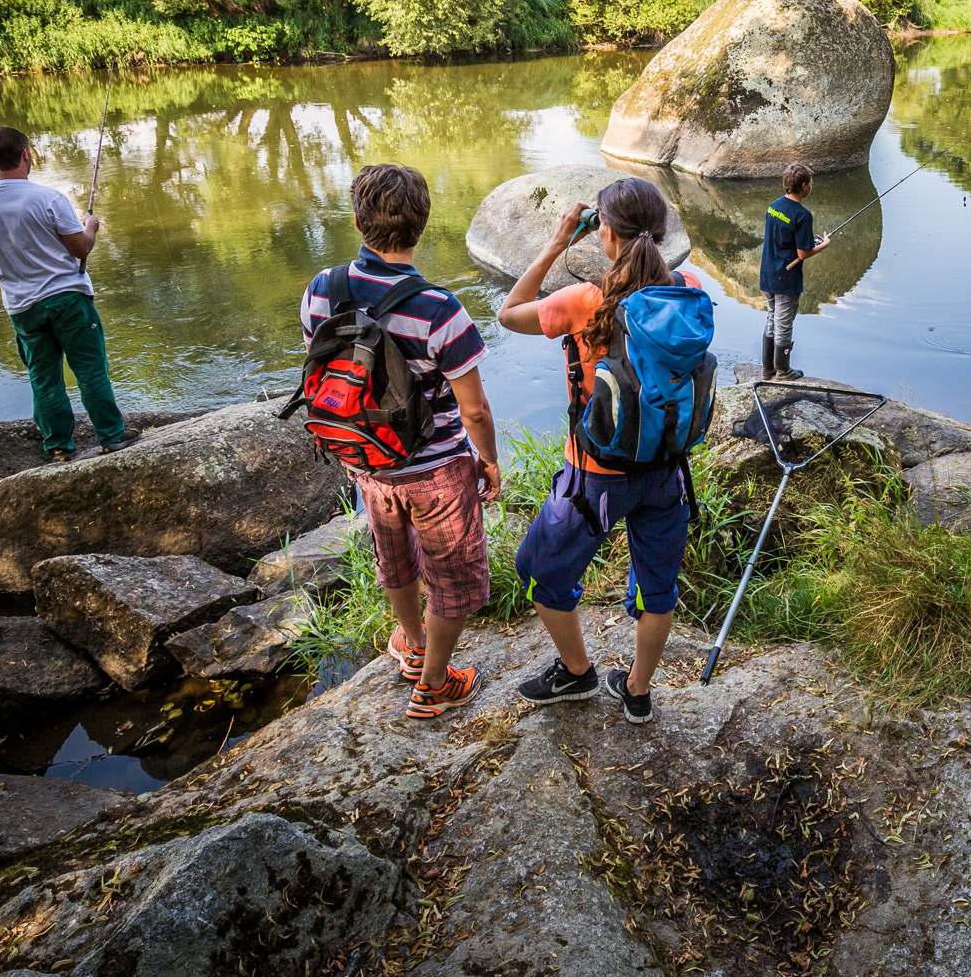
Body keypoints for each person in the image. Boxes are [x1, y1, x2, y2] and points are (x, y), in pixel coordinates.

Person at [300, 164, 502, 721]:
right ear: (422, 224)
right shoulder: (439, 309)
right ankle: (435, 682)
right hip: (435, 469)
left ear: (359, 220)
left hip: (364, 459)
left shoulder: (322, 290)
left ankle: (411, 643)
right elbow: (475, 408)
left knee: (394, 555)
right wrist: (487, 461)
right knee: (455, 577)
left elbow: (329, 372)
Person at [496, 177, 701, 724]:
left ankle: (579, 673)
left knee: (539, 569)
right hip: (667, 470)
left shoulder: (585, 301)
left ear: (604, 233)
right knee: (658, 588)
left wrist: (559, 240)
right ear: (660, 232)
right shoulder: (689, 288)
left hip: (594, 477)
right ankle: (637, 692)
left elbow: (508, 313)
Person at [0, 126, 139, 463]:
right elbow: (80, 249)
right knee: (90, 371)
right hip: (67, 299)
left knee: (44, 379)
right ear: (25, 155)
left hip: (22, 308)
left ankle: (59, 448)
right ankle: (111, 437)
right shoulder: (48, 198)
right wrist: (89, 225)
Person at [759, 162, 830, 380]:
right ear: (804, 186)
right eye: (811, 183)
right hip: (786, 278)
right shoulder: (802, 215)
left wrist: (808, 241)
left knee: (772, 318)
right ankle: (783, 371)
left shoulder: (774, 206)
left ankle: (767, 370)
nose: (812, 186)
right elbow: (803, 254)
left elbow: (784, 238)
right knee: (784, 324)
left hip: (768, 273)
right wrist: (823, 244)